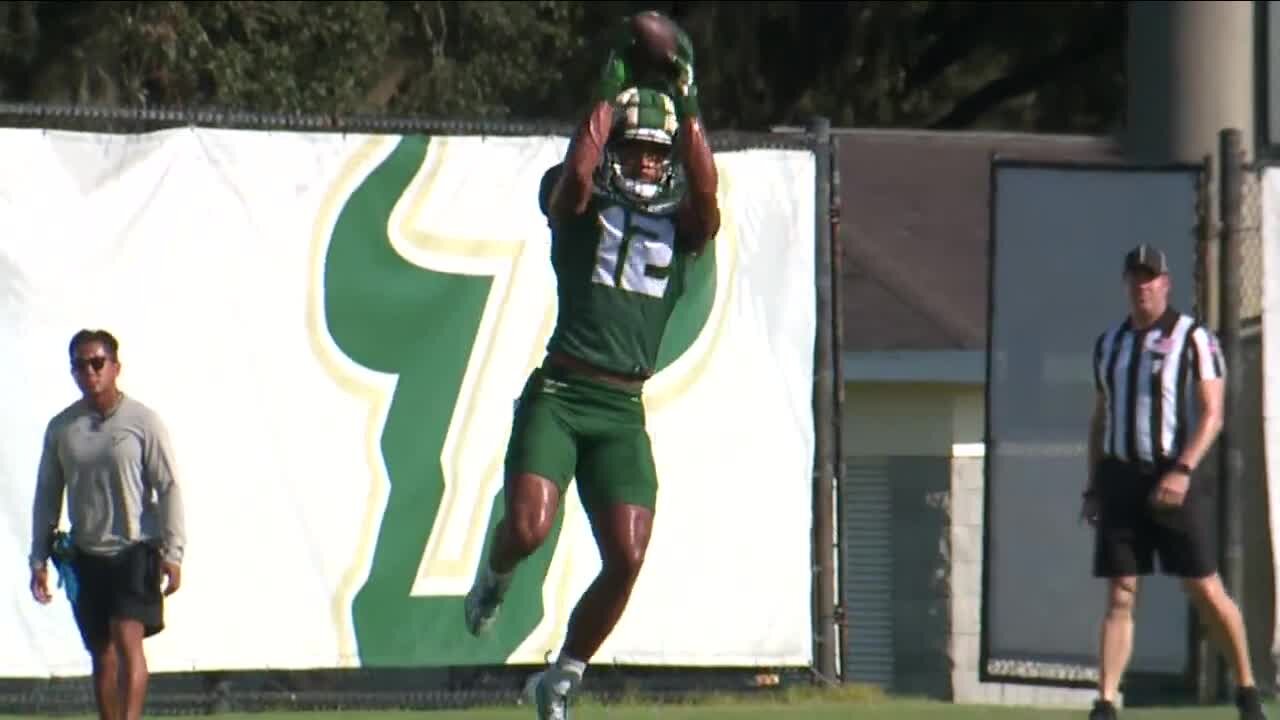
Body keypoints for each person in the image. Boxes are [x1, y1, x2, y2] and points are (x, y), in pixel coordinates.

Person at [461, 12, 719, 720]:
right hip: (564, 390)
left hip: (622, 409)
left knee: (629, 555)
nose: (644, 162)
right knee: (527, 530)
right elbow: (577, 173)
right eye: (633, 148)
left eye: (654, 153)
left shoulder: (684, 223)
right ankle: (497, 572)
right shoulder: (580, 205)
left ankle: (563, 675)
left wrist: (688, 101)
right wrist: (606, 97)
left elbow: (707, 195)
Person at [1082, 245, 1265, 720]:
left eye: (1151, 277)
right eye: (1135, 277)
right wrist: (1094, 484)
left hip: (1172, 472)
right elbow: (1100, 418)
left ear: (1166, 283)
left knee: (1202, 587)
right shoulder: (1110, 344)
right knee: (1121, 588)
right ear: (1126, 283)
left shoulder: (1192, 337)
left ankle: (1246, 688)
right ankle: (1105, 701)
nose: (1143, 286)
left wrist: (1182, 470)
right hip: (1122, 474)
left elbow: (1212, 412)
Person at [29, 329, 187, 720]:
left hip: (134, 549)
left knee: (127, 640)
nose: (90, 372)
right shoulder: (63, 428)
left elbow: (167, 487)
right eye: (80, 365)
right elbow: (48, 494)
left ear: (115, 367)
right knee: (101, 653)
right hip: (88, 552)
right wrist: (38, 558)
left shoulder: (141, 423)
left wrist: (173, 551)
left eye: (97, 362)